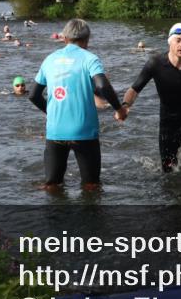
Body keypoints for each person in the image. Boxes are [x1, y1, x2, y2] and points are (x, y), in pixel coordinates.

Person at [29, 19, 127, 191]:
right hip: (84, 132)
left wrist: (50, 112)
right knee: (91, 186)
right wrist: (119, 109)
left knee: (52, 185)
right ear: (87, 40)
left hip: (55, 132)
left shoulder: (49, 59)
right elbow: (103, 85)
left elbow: (33, 95)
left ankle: (55, 216)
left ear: (65, 38)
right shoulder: (90, 59)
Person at [122, 23, 181, 173]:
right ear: (170, 41)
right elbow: (134, 89)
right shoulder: (156, 63)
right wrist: (125, 105)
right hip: (168, 123)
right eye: (178, 40)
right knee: (169, 172)